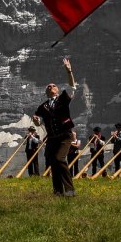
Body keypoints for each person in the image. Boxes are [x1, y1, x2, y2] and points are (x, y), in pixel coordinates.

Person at [31, 58, 78, 196]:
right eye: (48, 86)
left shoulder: (63, 97)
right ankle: (58, 191)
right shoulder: (42, 107)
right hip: (52, 138)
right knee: (53, 162)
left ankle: (70, 190)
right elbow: (39, 123)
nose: (51, 86)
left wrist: (69, 71)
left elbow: (72, 86)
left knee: (59, 159)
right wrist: (35, 121)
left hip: (64, 135)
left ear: (57, 90)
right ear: (46, 92)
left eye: (53, 85)